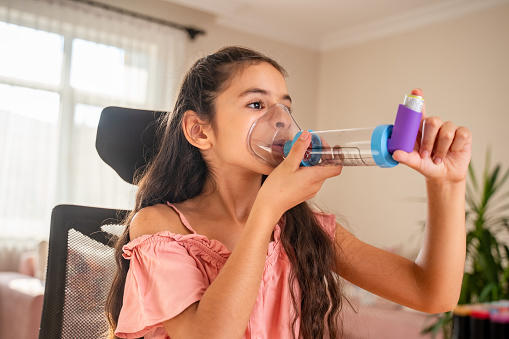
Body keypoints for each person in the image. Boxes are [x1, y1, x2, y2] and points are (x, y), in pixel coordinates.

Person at [105, 46, 472, 339]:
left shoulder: (301, 229)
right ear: (200, 131)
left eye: (286, 106)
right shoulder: (161, 225)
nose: (280, 119)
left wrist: (447, 185)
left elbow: (432, 295)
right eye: (256, 104)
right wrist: (266, 210)